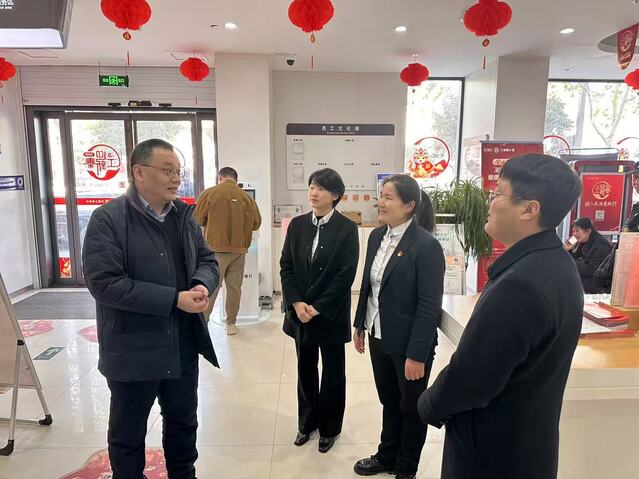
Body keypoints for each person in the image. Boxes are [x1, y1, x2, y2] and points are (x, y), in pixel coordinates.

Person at [418, 153, 583, 479]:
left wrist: (427, 404)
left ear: (529, 209)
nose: (489, 203)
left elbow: (471, 378)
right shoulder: (556, 264)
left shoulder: (520, 284)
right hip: (527, 445)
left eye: (497, 194)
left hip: (492, 452)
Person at [82, 138, 219, 479]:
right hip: (133, 349)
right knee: (128, 434)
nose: (176, 178)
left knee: (183, 424)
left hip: (182, 344)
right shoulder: (108, 219)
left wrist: (202, 283)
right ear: (138, 172)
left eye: (178, 171)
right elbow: (105, 284)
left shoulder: (184, 216)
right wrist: (174, 299)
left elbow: (208, 260)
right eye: (167, 170)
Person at [352, 174, 445, 479]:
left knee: (411, 407)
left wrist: (417, 355)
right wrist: (360, 324)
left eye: (388, 197)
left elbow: (429, 306)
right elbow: (369, 285)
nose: (380, 202)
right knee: (389, 400)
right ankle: (387, 455)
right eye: (381, 195)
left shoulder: (426, 246)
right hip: (379, 334)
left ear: (409, 206)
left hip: (409, 344)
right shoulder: (377, 236)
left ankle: (406, 468)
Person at [280, 168, 359, 454]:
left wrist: (318, 307)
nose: (314, 193)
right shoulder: (297, 225)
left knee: (333, 372)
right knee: (305, 369)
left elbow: (345, 275)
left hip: (330, 313)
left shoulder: (347, 228)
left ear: (336, 195)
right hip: (300, 313)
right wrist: (296, 303)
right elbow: (287, 266)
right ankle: (307, 423)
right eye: (312, 186)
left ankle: (330, 428)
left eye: (321, 188)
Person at [195, 166, 262, 335]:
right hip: (239, 251)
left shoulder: (209, 193)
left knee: (212, 287)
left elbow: (198, 219)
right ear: (236, 180)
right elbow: (257, 223)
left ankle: (203, 323)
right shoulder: (246, 197)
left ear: (220, 178)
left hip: (214, 250)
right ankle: (231, 324)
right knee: (234, 289)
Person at [565, 217, 611, 293]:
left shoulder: (601, 245)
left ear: (588, 231)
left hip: (594, 289)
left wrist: (571, 263)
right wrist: (568, 250)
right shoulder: (581, 242)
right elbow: (574, 260)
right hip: (581, 285)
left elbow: (592, 268)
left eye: (577, 231)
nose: (574, 234)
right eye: (573, 231)